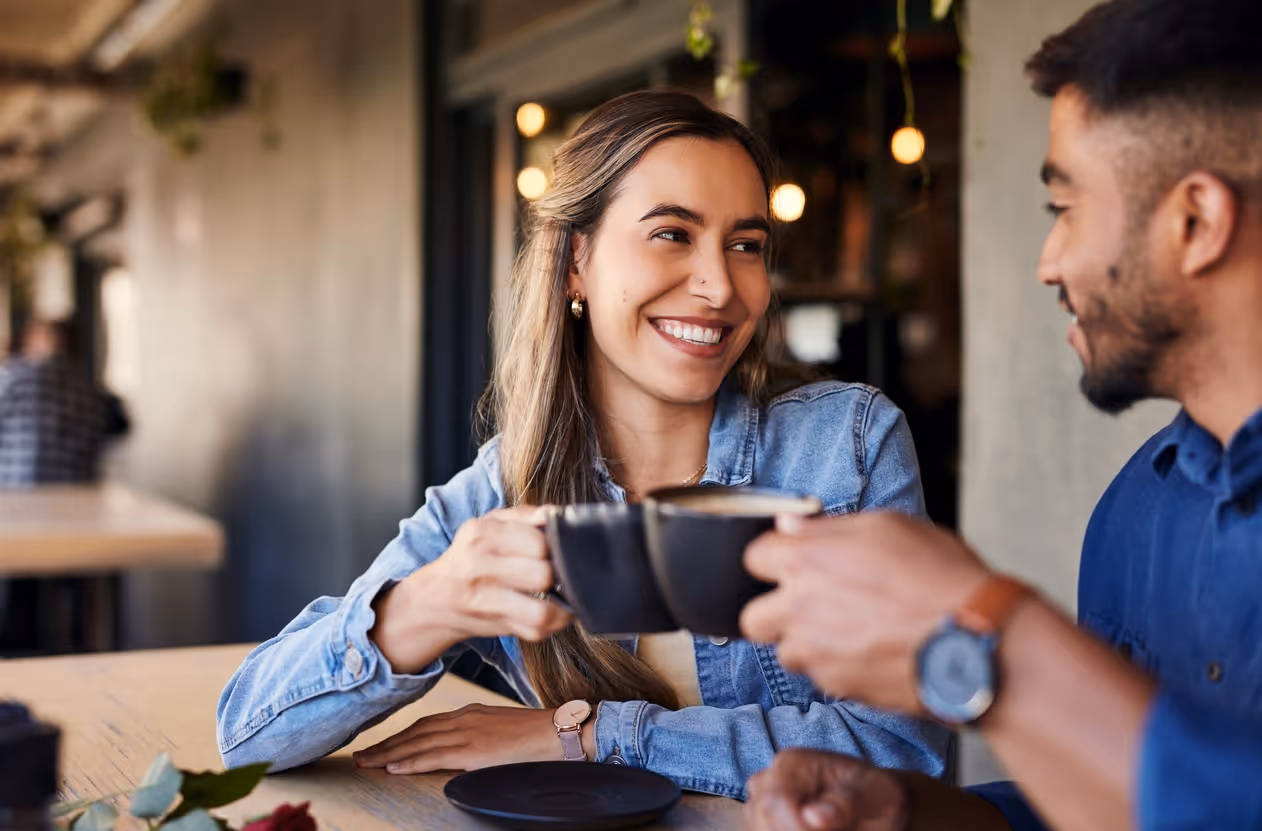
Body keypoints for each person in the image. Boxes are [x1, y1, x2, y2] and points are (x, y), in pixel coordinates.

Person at [216, 90, 950, 796]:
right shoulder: (507, 484)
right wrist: (427, 604)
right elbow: (248, 731)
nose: (720, 286)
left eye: (746, 244)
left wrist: (594, 734)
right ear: (575, 261)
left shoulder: (845, 443)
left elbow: (903, 750)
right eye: (672, 234)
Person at [738, 0, 1262, 829]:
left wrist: (986, 634)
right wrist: (909, 811)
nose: (1049, 262)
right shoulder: (1137, 511)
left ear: (1195, 222)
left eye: (1065, 209)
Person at [0, 319, 121, 487]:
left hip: (15, 493)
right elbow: (119, 430)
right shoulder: (94, 392)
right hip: (78, 496)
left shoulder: (11, 379)